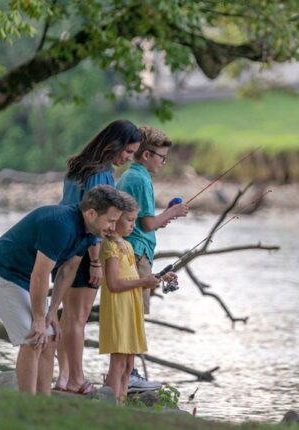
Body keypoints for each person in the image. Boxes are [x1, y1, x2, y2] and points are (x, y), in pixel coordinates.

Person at [0, 185, 126, 394]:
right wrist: (39, 318)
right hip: (2, 272)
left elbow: (68, 270)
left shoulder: (90, 231)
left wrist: (52, 313)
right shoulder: (61, 225)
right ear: (91, 213)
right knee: (34, 338)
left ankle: (43, 403)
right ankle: (26, 406)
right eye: (111, 221)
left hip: (25, 278)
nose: (113, 228)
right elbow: (40, 274)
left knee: (50, 338)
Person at [55, 120, 141, 395]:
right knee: (77, 318)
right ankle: (77, 379)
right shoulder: (101, 174)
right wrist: (95, 260)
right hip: (84, 248)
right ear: (114, 144)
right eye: (127, 152)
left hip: (61, 244)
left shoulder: (77, 167)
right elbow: (94, 220)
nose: (128, 159)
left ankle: (64, 376)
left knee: (67, 316)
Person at [116, 126, 188, 390]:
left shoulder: (128, 176)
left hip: (130, 250)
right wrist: (175, 212)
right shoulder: (141, 179)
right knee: (134, 315)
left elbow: (146, 221)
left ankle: (126, 372)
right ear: (146, 154)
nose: (163, 161)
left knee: (130, 313)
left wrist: (163, 217)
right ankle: (130, 373)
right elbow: (147, 224)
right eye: (161, 156)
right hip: (137, 252)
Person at [98, 192, 177, 403]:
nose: (134, 225)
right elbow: (114, 284)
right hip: (118, 310)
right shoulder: (110, 246)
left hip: (130, 309)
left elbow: (134, 277)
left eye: (134, 220)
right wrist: (144, 283)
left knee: (128, 364)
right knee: (118, 362)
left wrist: (160, 276)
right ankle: (110, 404)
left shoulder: (128, 245)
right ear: (115, 220)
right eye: (130, 220)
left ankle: (121, 404)